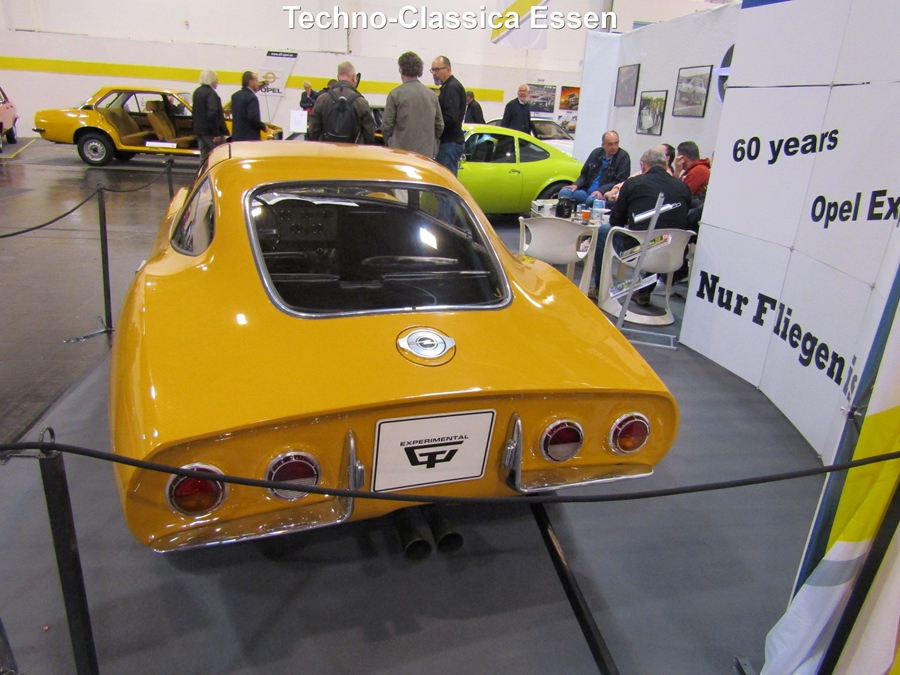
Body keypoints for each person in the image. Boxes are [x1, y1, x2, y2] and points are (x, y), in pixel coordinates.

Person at [592, 147, 692, 303]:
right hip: (672, 253)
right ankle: (643, 292)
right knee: (658, 238)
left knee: (605, 230)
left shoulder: (633, 183)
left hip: (637, 252)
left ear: (643, 165)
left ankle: (600, 289)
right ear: (666, 165)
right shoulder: (683, 187)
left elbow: (616, 221)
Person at [381, 51, 443, 158]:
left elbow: (386, 126)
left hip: (400, 154)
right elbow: (439, 125)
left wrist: (391, 142)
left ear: (401, 70)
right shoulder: (432, 95)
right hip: (426, 155)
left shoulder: (395, 94)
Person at [307, 61, 376, 144]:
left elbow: (313, 129)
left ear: (338, 77)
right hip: (353, 150)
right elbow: (369, 133)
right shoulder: (361, 102)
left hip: (327, 149)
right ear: (354, 78)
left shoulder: (322, 99)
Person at [558, 131, 631, 207]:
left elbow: (620, 181)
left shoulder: (623, 157)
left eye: (616, 143)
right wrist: (576, 184)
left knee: (591, 200)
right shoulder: (596, 153)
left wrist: (601, 190)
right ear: (603, 145)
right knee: (564, 192)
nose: (614, 147)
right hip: (586, 192)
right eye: (610, 144)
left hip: (604, 194)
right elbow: (584, 174)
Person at [431, 55, 466, 175]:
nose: (434, 73)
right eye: (432, 70)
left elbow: (451, 118)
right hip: (449, 142)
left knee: (445, 180)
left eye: (437, 69)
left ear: (448, 69)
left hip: (449, 142)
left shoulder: (451, 88)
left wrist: (435, 126)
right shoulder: (448, 87)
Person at [192, 69, 229, 164]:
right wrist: (216, 133)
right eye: (216, 79)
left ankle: (203, 173)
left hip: (200, 131)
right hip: (210, 132)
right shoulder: (211, 94)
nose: (217, 82)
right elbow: (213, 113)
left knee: (204, 158)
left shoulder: (197, 92)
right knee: (224, 153)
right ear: (211, 80)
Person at [230, 71, 267, 142]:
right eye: (256, 81)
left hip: (236, 138)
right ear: (250, 82)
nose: (258, 84)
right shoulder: (252, 97)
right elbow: (253, 117)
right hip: (250, 139)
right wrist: (263, 127)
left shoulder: (235, 96)